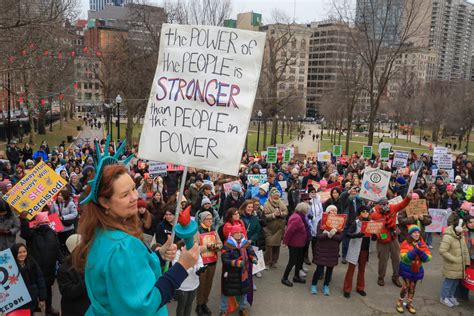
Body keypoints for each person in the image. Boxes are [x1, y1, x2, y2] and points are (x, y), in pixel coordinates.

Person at [73, 163, 199, 315]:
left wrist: (159, 255)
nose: (135, 197)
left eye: (133, 188)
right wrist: (182, 266)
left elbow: (126, 275)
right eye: (125, 195)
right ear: (104, 202)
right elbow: (144, 305)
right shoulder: (123, 246)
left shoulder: (100, 232)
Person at [20, 211, 62, 316]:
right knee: (46, 289)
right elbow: (58, 251)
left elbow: (24, 233)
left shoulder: (34, 233)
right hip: (46, 268)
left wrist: (24, 220)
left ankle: (39, 310)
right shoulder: (51, 233)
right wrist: (64, 262)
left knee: (36, 289)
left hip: (38, 268)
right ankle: (47, 308)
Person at [371, 194, 412, 287]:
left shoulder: (392, 208)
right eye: (383, 204)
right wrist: (381, 236)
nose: (386, 205)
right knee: (383, 260)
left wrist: (408, 197)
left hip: (394, 238)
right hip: (383, 239)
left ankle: (396, 277)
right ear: (379, 205)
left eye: (387, 203)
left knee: (396, 258)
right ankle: (381, 277)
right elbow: (373, 228)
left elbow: (402, 204)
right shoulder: (374, 215)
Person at [220, 225, 257, 316]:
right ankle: (223, 310)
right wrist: (235, 263)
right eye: (236, 232)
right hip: (231, 274)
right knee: (227, 292)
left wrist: (253, 258)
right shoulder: (227, 245)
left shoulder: (245, 243)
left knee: (244, 291)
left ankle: (243, 308)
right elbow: (225, 259)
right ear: (232, 234)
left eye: (240, 232)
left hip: (243, 273)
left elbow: (251, 252)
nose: (239, 234)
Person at [396, 224, 431, 314]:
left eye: (418, 232)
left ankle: (409, 303)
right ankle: (399, 302)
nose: (417, 234)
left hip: (417, 270)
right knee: (405, 286)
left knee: (412, 287)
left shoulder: (422, 244)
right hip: (406, 269)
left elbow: (428, 258)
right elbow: (404, 258)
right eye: (414, 232)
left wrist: (421, 252)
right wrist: (415, 250)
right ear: (410, 234)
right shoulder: (405, 243)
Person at [310, 205, 343, 296]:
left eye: (335, 211)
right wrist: (327, 234)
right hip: (322, 249)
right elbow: (319, 236)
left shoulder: (340, 223)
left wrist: (333, 235)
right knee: (319, 268)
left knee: (330, 269)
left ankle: (326, 285)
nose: (333, 212)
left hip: (333, 250)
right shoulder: (322, 222)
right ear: (327, 212)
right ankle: (313, 284)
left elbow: (340, 237)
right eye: (331, 211)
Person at [439, 218, 470, 308]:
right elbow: (442, 251)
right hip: (451, 265)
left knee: (455, 283)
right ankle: (444, 297)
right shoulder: (448, 237)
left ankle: (450, 296)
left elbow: (464, 250)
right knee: (449, 283)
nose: (465, 229)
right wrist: (454, 259)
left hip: (460, 265)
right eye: (463, 227)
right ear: (458, 228)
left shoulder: (461, 236)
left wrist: (466, 262)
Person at [196, 211, 222, 316]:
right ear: (202, 220)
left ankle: (204, 303)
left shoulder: (214, 231)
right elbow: (195, 248)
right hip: (202, 262)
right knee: (202, 284)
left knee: (209, 284)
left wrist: (216, 247)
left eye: (211, 219)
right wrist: (206, 247)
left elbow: (220, 244)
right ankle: (199, 305)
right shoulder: (197, 231)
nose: (210, 221)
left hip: (212, 261)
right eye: (208, 219)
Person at [57, 234, 90, 316]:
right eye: (82, 246)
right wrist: (87, 280)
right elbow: (68, 292)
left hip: (90, 307)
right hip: (74, 310)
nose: (85, 248)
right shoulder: (64, 269)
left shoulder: (90, 261)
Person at [10, 243, 47, 315]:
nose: (22, 254)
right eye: (19, 252)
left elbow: (40, 279)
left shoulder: (31, 262)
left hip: (31, 299)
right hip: (17, 302)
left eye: (24, 251)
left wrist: (42, 298)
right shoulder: (10, 266)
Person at [343, 206, 371, 298]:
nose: (366, 213)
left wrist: (376, 235)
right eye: (363, 211)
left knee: (362, 270)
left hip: (364, 249)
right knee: (351, 269)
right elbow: (347, 234)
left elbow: (376, 235)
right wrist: (357, 235)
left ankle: (360, 288)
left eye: (367, 211)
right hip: (355, 248)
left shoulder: (370, 223)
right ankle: (347, 289)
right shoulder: (355, 223)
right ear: (359, 214)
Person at [173, 240, 205, 316]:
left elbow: (199, 262)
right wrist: (192, 268)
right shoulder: (178, 253)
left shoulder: (195, 251)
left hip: (193, 284)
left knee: (189, 304)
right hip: (183, 285)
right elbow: (176, 266)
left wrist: (200, 269)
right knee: (182, 305)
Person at [281, 202, 310, 287]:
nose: (308, 211)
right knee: (292, 261)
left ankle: (296, 276)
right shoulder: (296, 218)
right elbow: (289, 231)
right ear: (303, 210)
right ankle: (284, 278)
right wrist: (285, 242)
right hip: (294, 244)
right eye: (307, 209)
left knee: (299, 260)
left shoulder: (301, 216)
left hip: (300, 243)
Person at [263, 188, 288, 269]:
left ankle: (274, 261)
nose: (276, 197)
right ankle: (267, 262)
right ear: (271, 195)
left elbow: (286, 212)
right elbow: (265, 216)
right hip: (269, 229)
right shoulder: (266, 204)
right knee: (269, 246)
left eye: (277, 196)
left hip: (279, 229)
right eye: (275, 196)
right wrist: (273, 215)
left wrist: (280, 214)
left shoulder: (281, 203)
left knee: (277, 246)